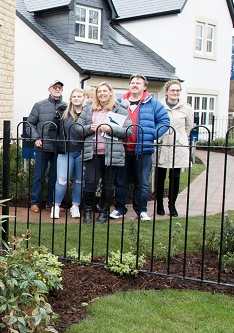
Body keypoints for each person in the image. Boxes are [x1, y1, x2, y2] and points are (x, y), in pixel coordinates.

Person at [112, 74, 170, 221]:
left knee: (142, 183)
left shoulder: (153, 104)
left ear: (144, 87)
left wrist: (152, 134)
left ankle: (142, 210)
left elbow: (164, 121)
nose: (135, 85)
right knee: (120, 182)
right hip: (122, 149)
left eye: (138, 83)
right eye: (132, 82)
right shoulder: (119, 102)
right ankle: (120, 209)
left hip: (143, 151)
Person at [77, 83, 132, 224]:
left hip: (111, 153)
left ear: (110, 92)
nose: (102, 93)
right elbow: (77, 128)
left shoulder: (120, 110)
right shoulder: (88, 109)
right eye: (99, 91)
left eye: (105, 91)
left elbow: (129, 131)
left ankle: (103, 212)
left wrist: (110, 129)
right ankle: (87, 211)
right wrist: (89, 128)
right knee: (91, 182)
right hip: (92, 152)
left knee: (108, 184)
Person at [154, 80, 194, 217]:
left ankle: (172, 205)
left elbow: (189, 127)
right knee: (160, 176)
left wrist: (181, 137)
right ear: (166, 91)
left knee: (175, 176)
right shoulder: (159, 106)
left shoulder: (186, 108)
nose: (175, 93)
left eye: (177, 90)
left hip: (178, 145)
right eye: (172, 90)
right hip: (162, 143)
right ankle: (159, 204)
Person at [26, 79, 65, 213]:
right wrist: (36, 138)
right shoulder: (39, 105)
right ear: (49, 89)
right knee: (39, 176)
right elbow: (29, 124)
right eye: (55, 87)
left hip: (58, 148)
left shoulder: (66, 107)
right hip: (42, 147)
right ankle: (35, 202)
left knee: (55, 176)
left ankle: (51, 203)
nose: (57, 89)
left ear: (62, 90)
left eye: (59, 87)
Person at [53, 88, 86, 220]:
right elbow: (53, 130)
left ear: (84, 98)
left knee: (79, 181)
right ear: (71, 98)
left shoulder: (88, 112)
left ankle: (75, 206)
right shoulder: (63, 112)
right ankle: (56, 206)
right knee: (62, 180)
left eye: (79, 96)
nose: (76, 98)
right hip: (66, 151)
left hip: (82, 152)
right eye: (74, 96)